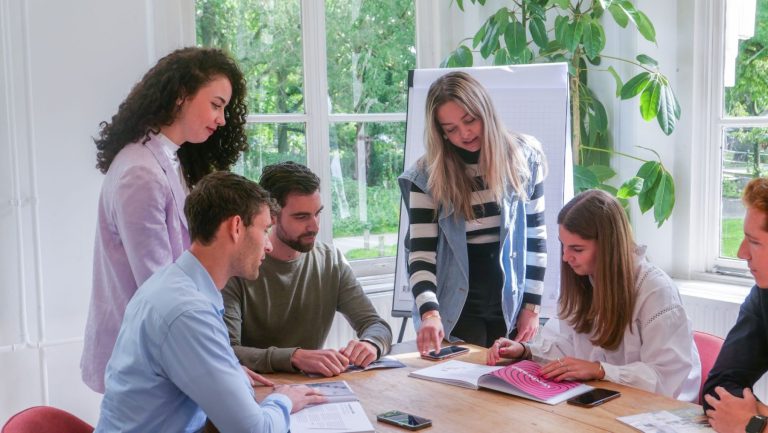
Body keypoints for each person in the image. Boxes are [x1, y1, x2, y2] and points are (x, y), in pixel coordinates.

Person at [95, 171, 324, 433]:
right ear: (236, 227)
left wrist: (230, 370)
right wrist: (284, 399)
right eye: (264, 230)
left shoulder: (171, 285)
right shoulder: (188, 312)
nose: (269, 246)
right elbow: (254, 431)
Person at [81, 47, 249, 393]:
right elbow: (160, 289)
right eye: (216, 105)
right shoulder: (140, 173)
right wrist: (218, 368)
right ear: (180, 96)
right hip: (143, 360)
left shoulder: (167, 161)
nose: (221, 119)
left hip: (157, 352)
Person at [486, 190, 701, 401]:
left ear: (609, 247)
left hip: (653, 413)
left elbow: (666, 378)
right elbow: (565, 347)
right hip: (606, 399)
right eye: (564, 246)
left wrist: (600, 371)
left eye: (577, 249)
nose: (566, 257)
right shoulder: (585, 280)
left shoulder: (655, 289)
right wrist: (525, 351)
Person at [398, 71, 547, 354]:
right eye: (450, 129)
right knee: (460, 390)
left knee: (508, 386)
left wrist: (532, 305)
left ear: (485, 112)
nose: (464, 134)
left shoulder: (525, 158)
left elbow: (536, 238)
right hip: (454, 306)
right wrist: (429, 313)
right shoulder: (425, 175)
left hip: (509, 302)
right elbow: (421, 254)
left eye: (469, 121)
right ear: (439, 131)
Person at [223, 161, 393, 377]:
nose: (315, 226)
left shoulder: (331, 261)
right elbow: (227, 352)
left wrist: (370, 344)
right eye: (301, 217)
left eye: (317, 213)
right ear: (271, 216)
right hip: (256, 393)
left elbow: (376, 325)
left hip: (314, 391)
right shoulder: (239, 268)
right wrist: (294, 357)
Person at [704, 178, 768, 433]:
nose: (742, 253)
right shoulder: (762, 297)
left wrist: (756, 425)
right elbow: (718, 389)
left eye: (754, 242)